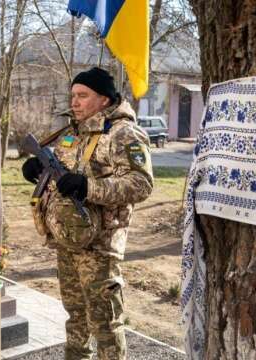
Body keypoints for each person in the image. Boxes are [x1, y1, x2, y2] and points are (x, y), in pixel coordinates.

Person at [22, 67, 154, 360]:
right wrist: (38, 170)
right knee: (76, 316)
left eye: (83, 95)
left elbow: (141, 184)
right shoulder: (73, 131)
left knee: (105, 324)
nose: (75, 102)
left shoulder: (124, 134)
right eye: (73, 95)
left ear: (104, 99)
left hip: (100, 247)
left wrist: (88, 187)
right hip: (68, 239)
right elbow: (64, 173)